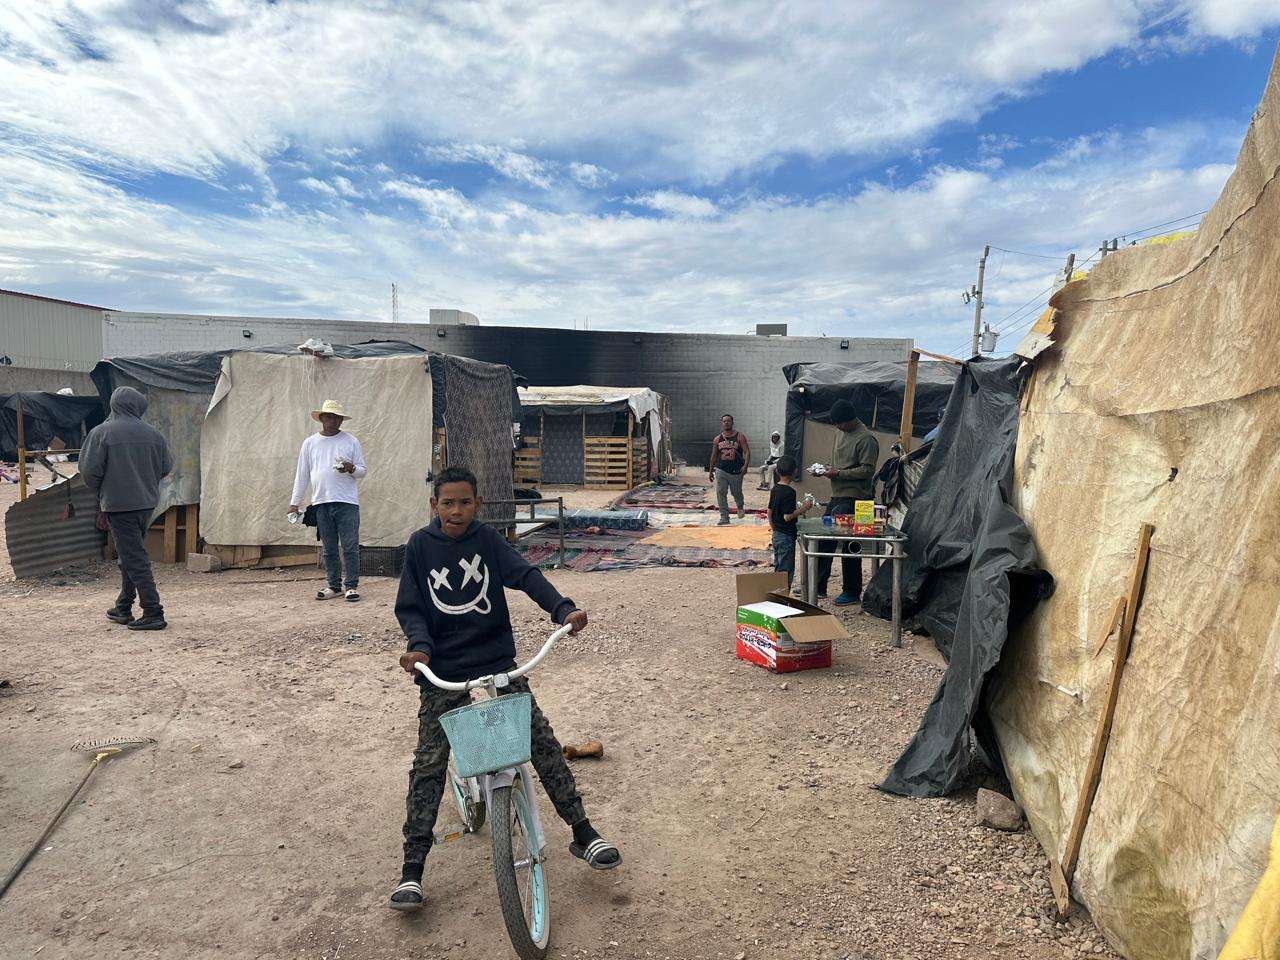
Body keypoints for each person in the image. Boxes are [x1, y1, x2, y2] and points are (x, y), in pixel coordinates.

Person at [389, 466, 621, 911]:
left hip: (496, 662)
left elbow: (526, 576)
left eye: (465, 502)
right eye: (447, 502)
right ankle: (412, 869)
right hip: (443, 668)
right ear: (434, 505)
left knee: (541, 741)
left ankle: (582, 831)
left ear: (478, 504)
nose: (456, 510)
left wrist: (562, 609)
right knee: (429, 765)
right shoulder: (420, 546)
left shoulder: (488, 540)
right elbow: (412, 606)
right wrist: (419, 648)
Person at [80, 386, 173, 631]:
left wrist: (105, 490)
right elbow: (166, 467)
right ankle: (123, 606)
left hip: (119, 505)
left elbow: (89, 472)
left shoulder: (101, 433)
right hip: (146, 504)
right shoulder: (154, 434)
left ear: (114, 404)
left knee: (134, 558)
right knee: (130, 555)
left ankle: (153, 611)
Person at [288, 400, 366, 602]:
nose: (333, 420)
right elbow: (302, 475)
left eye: (337, 417)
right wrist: (294, 503)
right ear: (321, 418)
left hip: (347, 502)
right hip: (321, 502)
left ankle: (351, 586)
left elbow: (362, 471)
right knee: (329, 548)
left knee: (350, 546)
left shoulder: (351, 441)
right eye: (329, 417)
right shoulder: (310, 443)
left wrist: (351, 468)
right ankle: (334, 586)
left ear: (341, 420)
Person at [814, 398, 879, 605]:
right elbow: (838, 462)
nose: (837, 427)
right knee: (824, 539)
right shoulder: (840, 432)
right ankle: (818, 585)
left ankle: (852, 591)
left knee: (851, 545)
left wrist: (839, 473)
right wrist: (826, 470)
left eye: (839, 423)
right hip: (838, 495)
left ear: (850, 420)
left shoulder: (866, 439)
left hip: (859, 499)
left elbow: (868, 470)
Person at [768, 456, 815, 588]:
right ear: (795, 472)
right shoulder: (789, 492)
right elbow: (787, 517)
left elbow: (769, 511)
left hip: (777, 535)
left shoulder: (775, 489)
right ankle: (781, 596)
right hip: (786, 536)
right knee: (786, 571)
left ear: (777, 471)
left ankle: (775, 593)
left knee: (778, 568)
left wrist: (774, 528)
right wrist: (805, 507)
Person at [707, 414, 750, 525]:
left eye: (728, 421)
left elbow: (746, 452)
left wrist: (745, 466)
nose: (726, 423)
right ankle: (724, 517)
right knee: (721, 493)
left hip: (736, 471)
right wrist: (711, 471)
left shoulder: (740, 437)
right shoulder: (717, 439)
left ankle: (740, 506)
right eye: (724, 421)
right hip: (721, 470)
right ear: (722, 423)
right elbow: (714, 456)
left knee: (736, 492)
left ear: (732, 423)